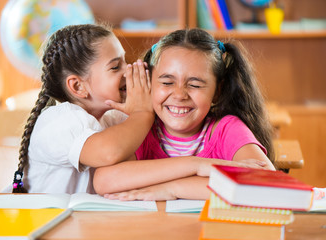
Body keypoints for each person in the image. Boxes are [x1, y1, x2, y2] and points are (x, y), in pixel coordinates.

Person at [93, 28, 276, 200]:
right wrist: (196, 166)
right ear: (149, 83)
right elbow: (104, 181)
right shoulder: (141, 131)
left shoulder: (226, 129)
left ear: (217, 91)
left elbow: (267, 184)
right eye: (166, 82)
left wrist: (173, 189)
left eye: (195, 85)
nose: (180, 95)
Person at [11, 24, 154, 193]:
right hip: (46, 216)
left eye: (126, 61)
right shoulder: (59, 121)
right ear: (78, 86)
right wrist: (142, 113)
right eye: (115, 67)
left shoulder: (112, 117)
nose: (128, 70)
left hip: (86, 217)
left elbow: (128, 171)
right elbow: (109, 152)